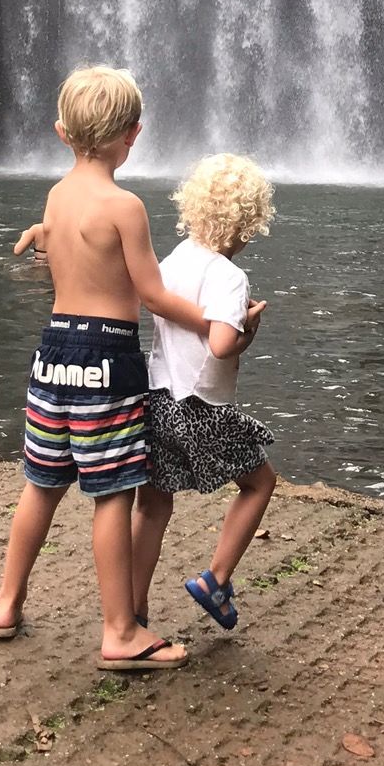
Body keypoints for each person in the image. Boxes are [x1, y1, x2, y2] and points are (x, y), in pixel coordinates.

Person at [0, 64, 208, 671]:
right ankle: (119, 632)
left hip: (52, 352)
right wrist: (214, 324)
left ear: (62, 132)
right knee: (112, 495)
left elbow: (58, 245)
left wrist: (38, 234)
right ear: (132, 134)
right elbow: (153, 295)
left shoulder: (57, 195)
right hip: (108, 357)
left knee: (42, 484)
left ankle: (6, 603)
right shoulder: (125, 206)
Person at [132, 153, 276, 633]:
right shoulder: (230, 277)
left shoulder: (173, 259)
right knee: (259, 484)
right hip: (202, 409)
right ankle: (215, 579)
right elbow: (219, 346)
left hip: (158, 400)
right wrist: (248, 329)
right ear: (249, 223)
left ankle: (133, 608)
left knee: (152, 503)